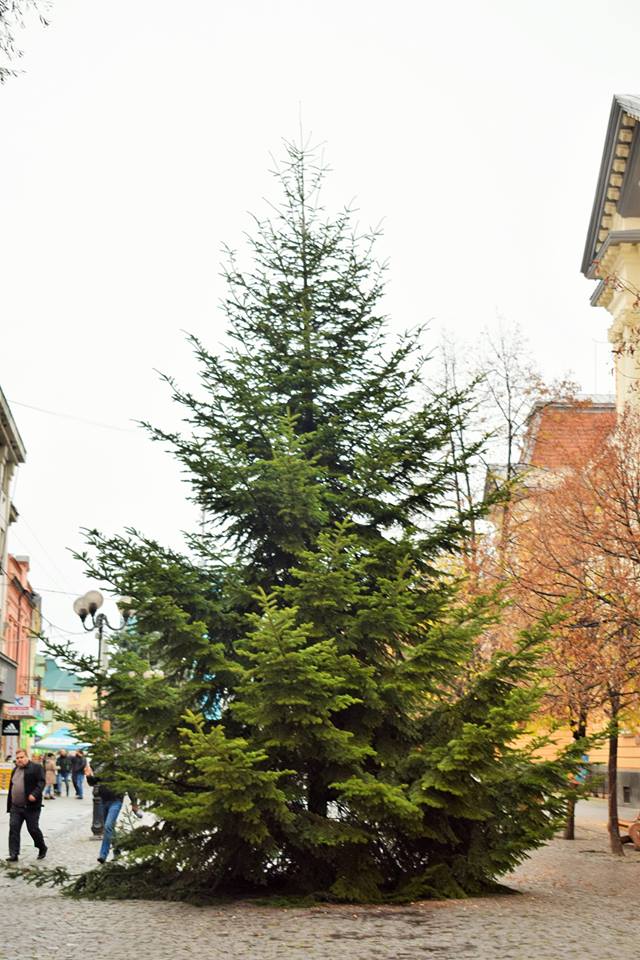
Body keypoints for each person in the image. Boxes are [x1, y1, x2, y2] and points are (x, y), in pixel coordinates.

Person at [86, 770, 140, 864]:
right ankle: (117, 850)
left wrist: (134, 803)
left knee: (108, 826)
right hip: (103, 801)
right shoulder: (105, 768)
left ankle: (103, 855)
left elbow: (129, 787)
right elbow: (93, 782)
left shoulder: (121, 769)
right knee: (110, 828)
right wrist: (89, 776)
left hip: (116, 801)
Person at [6, 748, 47, 862]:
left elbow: (42, 782)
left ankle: (42, 847)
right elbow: (12, 786)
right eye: (17, 758)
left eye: (22, 757)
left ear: (27, 757)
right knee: (13, 828)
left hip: (31, 807)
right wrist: (10, 804)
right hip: (16, 807)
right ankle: (14, 854)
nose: (19, 760)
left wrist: (34, 794)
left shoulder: (36, 768)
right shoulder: (15, 770)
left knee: (33, 829)